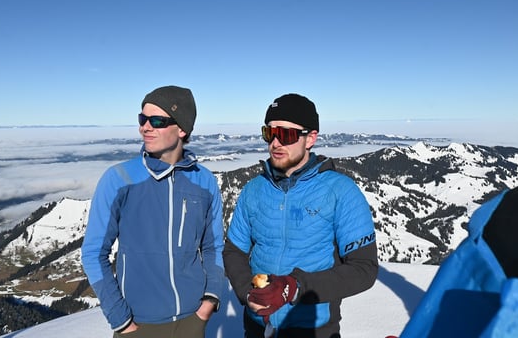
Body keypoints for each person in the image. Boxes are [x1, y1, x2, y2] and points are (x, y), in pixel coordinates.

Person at [223, 93, 378, 338]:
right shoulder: (253, 190)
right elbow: (234, 251)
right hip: (257, 328)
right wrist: (247, 291)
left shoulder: (340, 191)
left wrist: (295, 287)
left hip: (313, 330)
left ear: (310, 139)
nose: (275, 142)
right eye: (269, 133)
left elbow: (363, 268)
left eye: (286, 134)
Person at [81, 85, 225, 338]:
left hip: (192, 321)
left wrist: (209, 303)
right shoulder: (119, 179)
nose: (144, 127)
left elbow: (213, 247)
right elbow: (93, 253)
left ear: (182, 129)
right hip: (138, 325)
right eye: (142, 119)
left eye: (157, 121)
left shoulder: (204, 181)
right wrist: (122, 322)